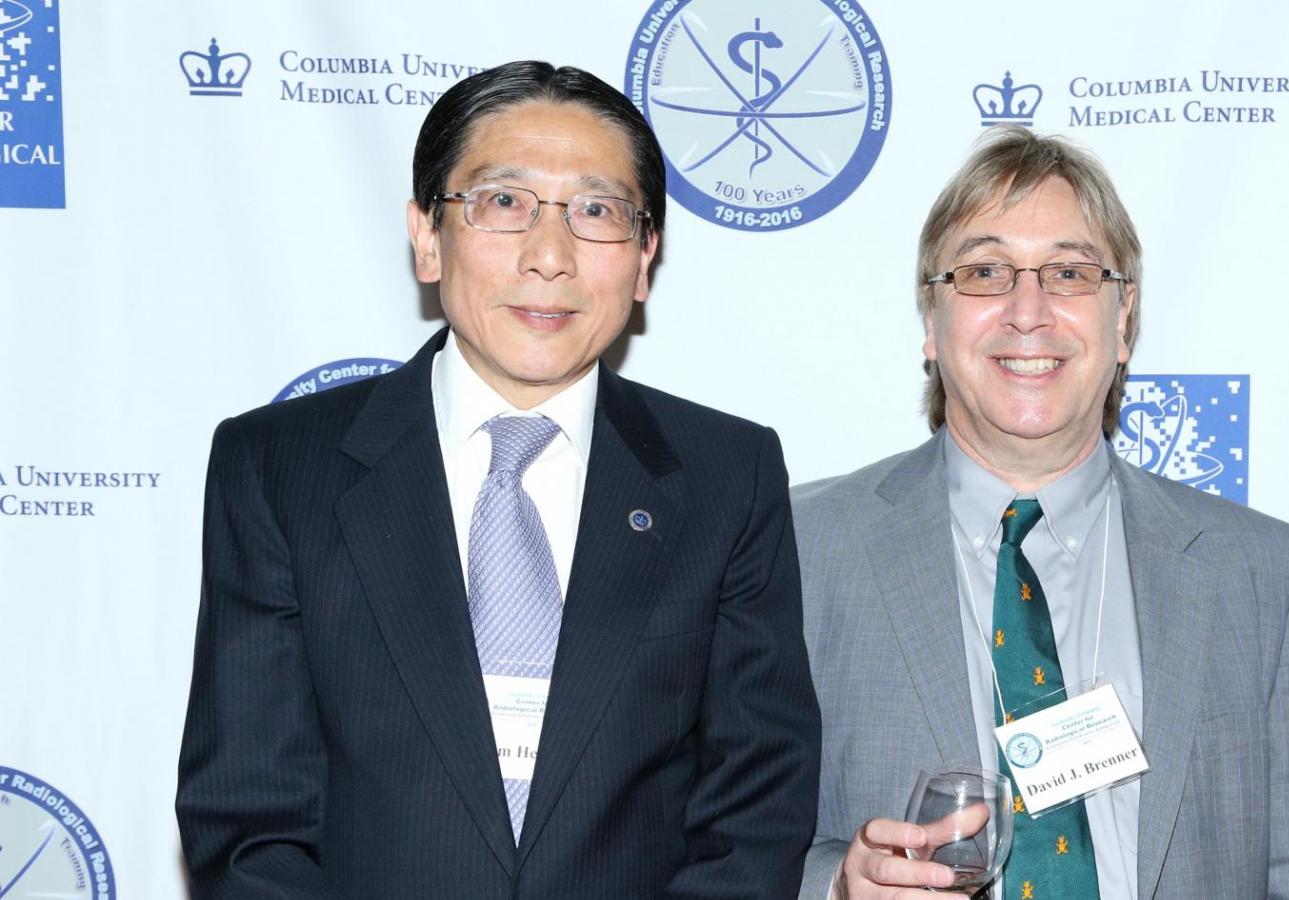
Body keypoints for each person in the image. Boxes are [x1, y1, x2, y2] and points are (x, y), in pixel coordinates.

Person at [176, 60, 819, 899]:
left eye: (597, 211)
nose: (550, 256)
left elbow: (755, 804)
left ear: (644, 257)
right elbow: (249, 816)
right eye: (504, 203)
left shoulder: (726, 475)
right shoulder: (278, 467)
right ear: (426, 236)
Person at [793, 125, 1289, 899]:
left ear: (1123, 321)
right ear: (931, 323)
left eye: (1069, 272)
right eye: (986, 271)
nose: (1028, 311)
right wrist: (832, 886)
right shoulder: (799, 549)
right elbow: (710, 843)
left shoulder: (1262, 574)